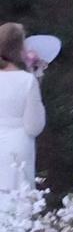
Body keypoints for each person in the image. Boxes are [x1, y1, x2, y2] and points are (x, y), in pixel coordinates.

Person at [0, 23, 46, 197]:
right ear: (19, 49)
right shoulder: (27, 81)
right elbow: (34, 126)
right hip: (17, 148)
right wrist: (36, 77)